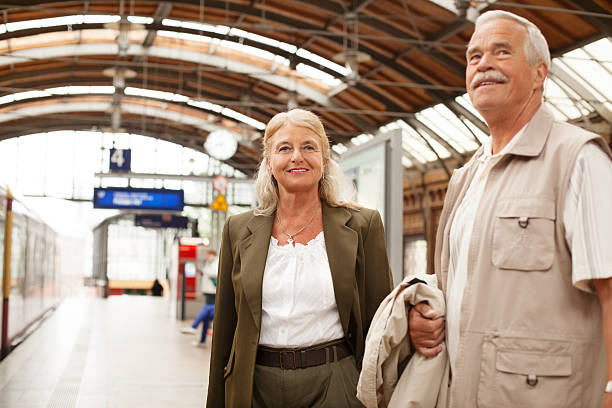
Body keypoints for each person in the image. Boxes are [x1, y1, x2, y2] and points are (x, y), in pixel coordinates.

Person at [408, 10, 612, 408]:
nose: (483, 63)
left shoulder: (578, 159)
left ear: (540, 74)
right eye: (474, 56)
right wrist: (426, 321)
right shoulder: (464, 178)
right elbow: (460, 288)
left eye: (502, 52)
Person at [206, 108, 393, 408]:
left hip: (335, 383)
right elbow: (226, 327)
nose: (297, 157)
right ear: (269, 162)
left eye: (309, 147)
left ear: (324, 160)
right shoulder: (238, 229)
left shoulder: (362, 225)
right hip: (254, 386)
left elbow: (380, 321)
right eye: (284, 148)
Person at [181, 249, 218, 346]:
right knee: (206, 318)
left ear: (212, 255)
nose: (206, 257)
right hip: (208, 291)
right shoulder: (210, 263)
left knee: (207, 309)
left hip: (212, 291)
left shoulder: (215, 262)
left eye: (208, 255)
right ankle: (202, 340)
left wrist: (206, 271)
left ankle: (194, 326)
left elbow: (216, 273)